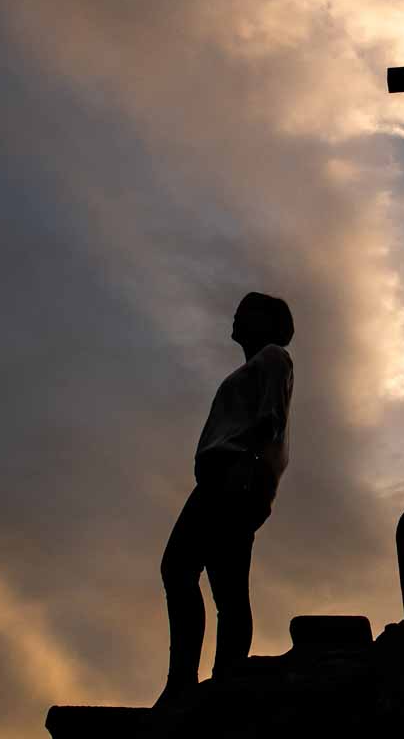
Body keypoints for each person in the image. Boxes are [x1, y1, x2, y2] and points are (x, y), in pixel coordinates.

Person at [156, 292, 294, 705]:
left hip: (233, 477)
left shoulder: (272, 357)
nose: (236, 315)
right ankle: (217, 679)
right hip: (229, 476)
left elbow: (271, 419)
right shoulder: (254, 365)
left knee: (180, 568)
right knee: (225, 588)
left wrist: (247, 469)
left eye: (246, 310)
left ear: (268, 321)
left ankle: (193, 680)